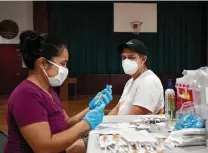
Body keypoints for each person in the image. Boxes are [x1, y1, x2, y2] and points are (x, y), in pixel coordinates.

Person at [4, 30, 112, 153]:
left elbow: (65, 123)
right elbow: (44, 147)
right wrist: (86, 124)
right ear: (43, 63)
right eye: (62, 64)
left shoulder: (48, 90)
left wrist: (90, 109)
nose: (65, 69)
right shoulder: (27, 95)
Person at [109, 39, 164, 115]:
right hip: (120, 124)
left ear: (143, 59)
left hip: (130, 126)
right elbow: (118, 108)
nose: (126, 61)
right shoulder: (130, 81)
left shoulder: (149, 81)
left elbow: (133, 118)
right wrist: (104, 122)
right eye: (124, 58)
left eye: (131, 57)